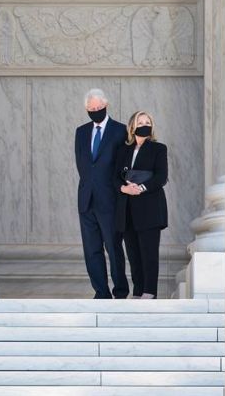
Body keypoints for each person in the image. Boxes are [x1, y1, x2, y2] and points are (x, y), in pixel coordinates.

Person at [74, 89, 129, 299]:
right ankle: (101, 292)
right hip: (86, 200)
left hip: (110, 200)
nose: (95, 111)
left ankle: (121, 291)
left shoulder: (120, 130)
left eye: (98, 108)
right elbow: (82, 164)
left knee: (114, 249)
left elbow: (122, 167)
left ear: (106, 105)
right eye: (91, 109)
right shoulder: (81, 132)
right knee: (92, 250)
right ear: (87, 109)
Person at [114, 111, 168, 299]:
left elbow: (161, 177)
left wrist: (141, 187)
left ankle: (149, 291)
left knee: (149, 253)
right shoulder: (123, 150)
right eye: (141, 121)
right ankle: (137, 291)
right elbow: (114, 177)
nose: (145, 124)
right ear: (132, 126)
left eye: (148, 122)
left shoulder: (159, 149)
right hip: (127, 210)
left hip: (150, 209)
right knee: (134, 255)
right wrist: (123, 188)